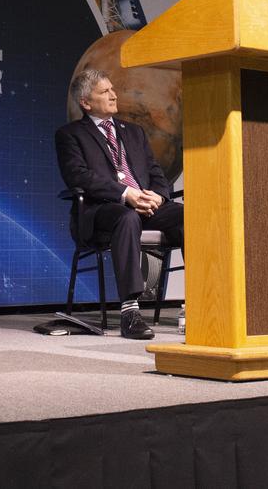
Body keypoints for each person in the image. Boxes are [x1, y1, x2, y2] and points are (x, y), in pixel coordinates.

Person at [55, 69, 183, 339]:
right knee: (128, 218)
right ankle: (130, 310)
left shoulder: (134, 132)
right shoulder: (70, 134)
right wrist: (126, 194)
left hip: (146, 206)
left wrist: (158, 196)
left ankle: (201, 302)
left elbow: (155, 172)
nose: (114, 95)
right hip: (101, 210)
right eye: (104, 92)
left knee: (190, 215)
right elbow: (78, 176)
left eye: (113, 89)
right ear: (86, 102)